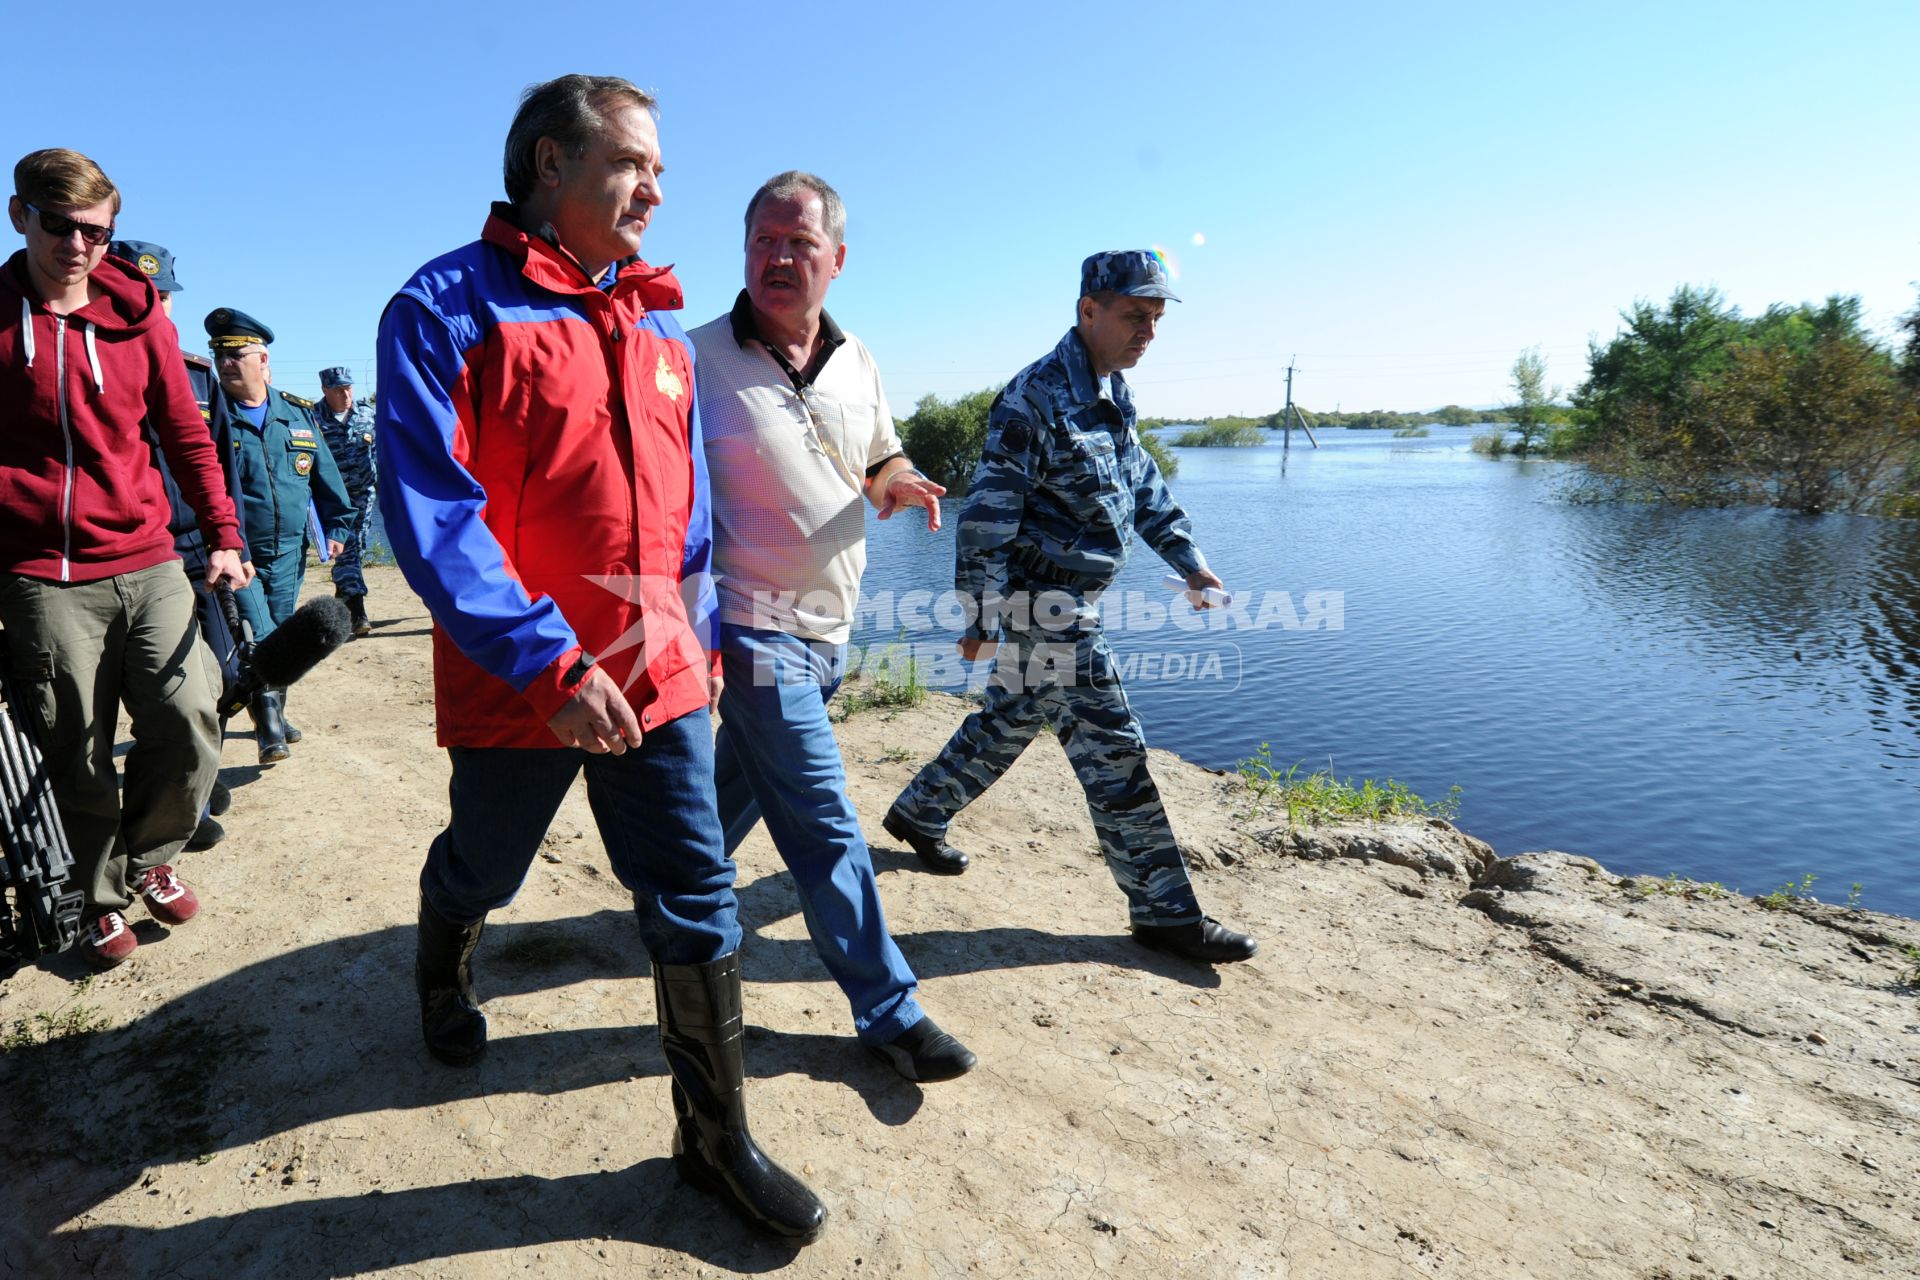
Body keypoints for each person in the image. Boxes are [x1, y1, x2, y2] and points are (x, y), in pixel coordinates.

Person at [375, 74, 824, 1241]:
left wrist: (705, 634)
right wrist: (550, 664)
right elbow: (436, 514)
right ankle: (443, 951)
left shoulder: (656, 322)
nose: (656, 189)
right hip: (523, 680)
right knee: (487, 861)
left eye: (661, 169)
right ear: (548, 165)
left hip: (660, 669)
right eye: (633, 163)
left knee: (694, 893)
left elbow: (684, 511)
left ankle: (713, 1137)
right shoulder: (443, 310)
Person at [885, 251, 1259, 965]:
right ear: (1089, 310)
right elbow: (987, 517)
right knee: (1116, 754)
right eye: (1133, 315)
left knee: (1008, 721)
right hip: (1045, 612)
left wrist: (1190, 561)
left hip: (1068, 602)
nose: (1147, 331)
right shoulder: (1035, 398)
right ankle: (1164, 912)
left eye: (1155, 319)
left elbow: (1139, 485)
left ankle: (919, 811)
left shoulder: (1111, 392)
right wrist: (980, 617)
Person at [690, 171, 975, 1084]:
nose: (779, 257)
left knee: (734, 789)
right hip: (752, 624)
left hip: (831, 629)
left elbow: (877, 449)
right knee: (823, 819)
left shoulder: (861, 360)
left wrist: (896, 477)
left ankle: (676, 882)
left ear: (837, 260)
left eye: (800, 244)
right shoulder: (692, 359)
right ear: (743, 252)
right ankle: (887, 1009)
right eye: (764, 241)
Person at [0, 150, 248, 968]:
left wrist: (223, 534)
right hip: (41, 574)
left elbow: (186, 437)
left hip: (147, 557)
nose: (79, 245)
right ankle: (102, 895)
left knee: (188, 717)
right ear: (20, 216)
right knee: (76, 742)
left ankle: (151, 858)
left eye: (98, 233)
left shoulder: (142, 319)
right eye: (60, 225)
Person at [110, 239, 270, 848]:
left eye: (164, 295)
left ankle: (196, 781)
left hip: (204, 550)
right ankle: (185, 804)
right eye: (143, 289)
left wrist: (236, 542)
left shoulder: (200, 378)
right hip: (142, 553)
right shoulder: (102, 366)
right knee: (162, 688)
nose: (156, 303)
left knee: (222, 676)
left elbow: (221, 465)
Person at [206, 306, 355, 761]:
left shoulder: (296, 414)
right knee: (258, 635)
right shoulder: (211, 414)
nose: (226, 363)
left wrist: (338, 525)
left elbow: (324, 476)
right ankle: (269, 727)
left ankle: (271, 712)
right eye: (220, 355)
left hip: (290, 551)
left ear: (263, 361)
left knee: (284, 637)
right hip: (238, 551)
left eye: (237, 354)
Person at [312, 365, 377, 636]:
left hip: (364, 494)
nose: (346, 394)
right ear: (325, 390)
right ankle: (356, 612)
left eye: (348, 388)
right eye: (338, 390)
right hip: (332, 499)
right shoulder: (312, 418)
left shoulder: (367, 414)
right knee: (347, 547)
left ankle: (343, 600)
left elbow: (381, 450)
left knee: (356, 546)